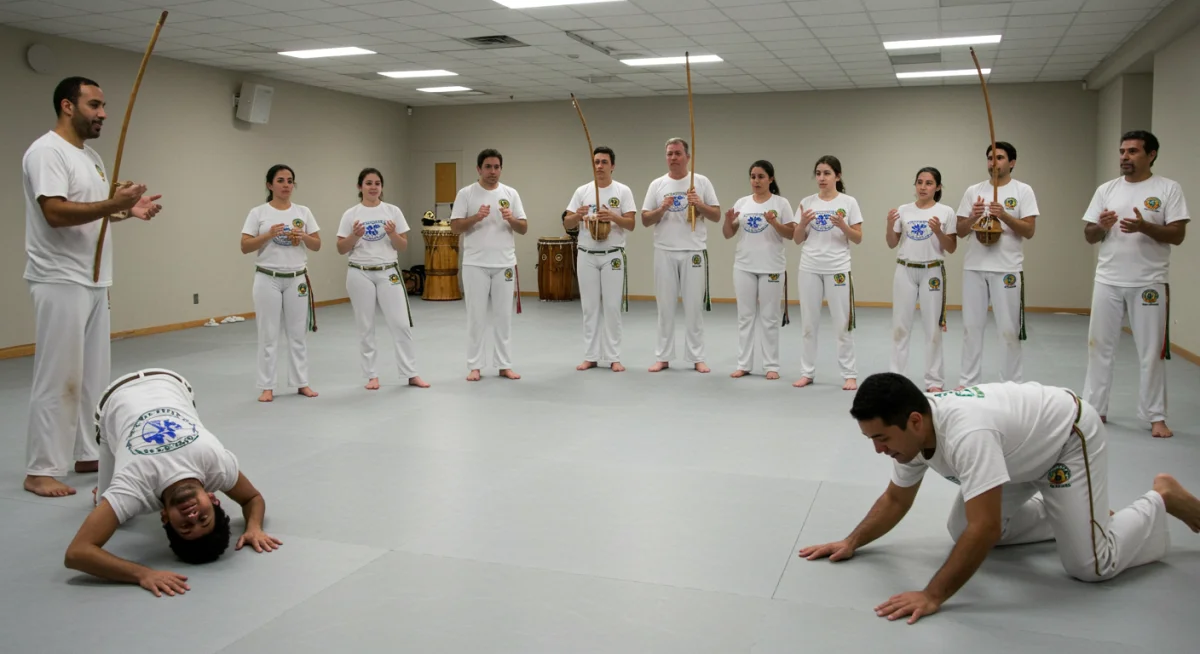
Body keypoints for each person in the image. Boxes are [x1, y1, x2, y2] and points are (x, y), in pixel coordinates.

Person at [799, 372, 1200, 624]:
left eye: (881, 439)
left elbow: (987, 527)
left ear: (914, 421)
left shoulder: (967, 436)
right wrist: (851, 542)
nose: (878, 450)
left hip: (1065, 441)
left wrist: (932, 594)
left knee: (1092, 564)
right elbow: (896, 500)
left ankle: (1161, 498)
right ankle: (1077, 511)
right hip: (1016, 454)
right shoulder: (914, 437)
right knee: (961, 529)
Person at [23, 76, 163, 498]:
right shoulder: (47, 151)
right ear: (68, 106)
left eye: (104, 106)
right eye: (94, 105)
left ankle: (88, 450)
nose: (103, 113)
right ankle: (41, 468)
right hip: (59, 278)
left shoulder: (92, 157)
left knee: (94, 379)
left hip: (94, 279)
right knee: (58, 376)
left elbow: (93, 212)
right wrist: (112, 204)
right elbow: (55, 213)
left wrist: (126, 211)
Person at [65, 368, 282, 598]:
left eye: (186, 527)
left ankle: (105, 498)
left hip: (112, 400)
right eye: (203, 518)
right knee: (111, 505)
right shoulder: (215, 466)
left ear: (165, 517)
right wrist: (254, 527)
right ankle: (107, 499)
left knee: (106, 503)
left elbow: (76, 553)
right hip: (170, 381)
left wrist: (142, 574)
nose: (192, 516)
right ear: (213, 497)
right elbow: (252, 498)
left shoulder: (133, 487)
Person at [1082, 130, 1188, 440]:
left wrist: (1144, 226)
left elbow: (1178, 235)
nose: (1125, 157)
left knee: (1150, 351)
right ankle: (1095, 408)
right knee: (1099, 347)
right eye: (1122, 151)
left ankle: (1155, 416)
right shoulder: (1107, 189)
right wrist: (1101, 226)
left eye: (1133, 152)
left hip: (1149, 282)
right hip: (1108, 280)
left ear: (1151, 154)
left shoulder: (1168, 189)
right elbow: (1089, 235)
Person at [955, 141, 1039, 388]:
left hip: (1007, 269)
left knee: (1008, 330)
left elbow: (1029, 231)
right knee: (971, 328)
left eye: (1000, 158)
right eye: (990, 158)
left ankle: (1011, 384)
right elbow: (960, 231)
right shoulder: (974, 191)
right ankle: (968, 381)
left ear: (1011, 162)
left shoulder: (1023, 191)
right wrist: (974, 215)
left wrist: (1003, 215)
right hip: (975, 267)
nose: (994, 163)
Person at [336, 168, 429, 390]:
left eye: (377, 183)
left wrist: (392, 234)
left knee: (400, 323)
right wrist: (355, 236)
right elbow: (341, 248)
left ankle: (410, 372)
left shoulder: (392, 211)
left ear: (382, 187)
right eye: (368, 183)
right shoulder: (351, 214)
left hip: (388, 271)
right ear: (360, 187)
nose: (373, 187)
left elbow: (403, 245)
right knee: (365, 325)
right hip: (359, 272)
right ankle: (372, 375)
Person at [240, 164, 320, 402]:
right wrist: (268, 235)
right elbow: (245, 246)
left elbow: (317, 245)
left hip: (296, 278)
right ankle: (267, 386)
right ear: (269, 185)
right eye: (281, 180)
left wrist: (302, 236)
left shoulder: (303, 211)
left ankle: (301, 382)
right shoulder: (258, 213)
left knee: (297, 334)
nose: (286, 185)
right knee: (268, 333)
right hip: (268, 278)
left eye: (290, 180)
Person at [641, 138, 720, 373]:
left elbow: (715, 215)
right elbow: (645, 220)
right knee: (664, 307)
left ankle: (697, 357)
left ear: (687, 156)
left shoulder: (701, 182)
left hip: (693, 251)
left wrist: (700, 204)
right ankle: (663, 357)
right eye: (669, 154)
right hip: (664, 250)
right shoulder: (657, 184)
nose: (673, 158)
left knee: (693, 306)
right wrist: (662, 208)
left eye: (677, 153)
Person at [450, 149, 528, 381]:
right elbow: (455, 227)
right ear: (478, 169)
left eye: (496, 167)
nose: (492, 171)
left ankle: (504, 364)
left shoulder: (511, 193)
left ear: (501, 169)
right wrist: (475, 217)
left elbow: (523, 228)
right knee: (476, 316)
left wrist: (511, 219)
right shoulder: (466, 194)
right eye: (488, 167)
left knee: (503, 316)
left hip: (504, 263)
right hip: (475, 263)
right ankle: (475, 365)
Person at [564, 146, 637, 372]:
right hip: (586, 254)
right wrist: (578, 214)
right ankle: (591, 355)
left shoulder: (622, 191)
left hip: (612, 255)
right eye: (596, 162)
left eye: (604, 162)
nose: (599, 166)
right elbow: (567, 223)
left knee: (612, 306)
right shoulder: (582, 191)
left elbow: (631, 224)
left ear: (612, 166)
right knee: (590, 307)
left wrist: (613, 216)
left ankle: (613, 356)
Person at [792, 155, 862, 391]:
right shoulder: (807, 202)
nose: (821, 178)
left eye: (827, 173)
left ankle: (849, 374)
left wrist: (844, 226)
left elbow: (858, 238)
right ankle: (807, 372)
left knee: (842, 323)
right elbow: (797, 239)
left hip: (838, 268)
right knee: (809, 324)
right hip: (810, 267)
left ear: (837, 176)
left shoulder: (849, 202)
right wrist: (801, 223)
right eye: (819, 173)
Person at [886, 167, 958, 392]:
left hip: (932, 272)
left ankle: (934, 381)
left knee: (932, 328)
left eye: (929, 183)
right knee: (900, 327)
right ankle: (898, 378)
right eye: (920, 182)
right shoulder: (903, 210)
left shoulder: (946, 212)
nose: (923, 187)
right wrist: (890, 223)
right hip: (905, 269)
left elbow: (952, 247)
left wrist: (938, 231)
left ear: (937, 187)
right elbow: (891, 243)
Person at [722, 160, 795, 379]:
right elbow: (728, 234)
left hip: (771, 266)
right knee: (745, 316)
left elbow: (790, 234)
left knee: (769, 317)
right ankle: (744, 364)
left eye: (761, 176)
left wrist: (774, 223)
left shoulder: (781, 203)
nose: (756, 181)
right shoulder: (742, 203)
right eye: (753, 176)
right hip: (744, 266)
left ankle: (771, 365)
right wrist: (728, 221)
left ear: (771, 179)